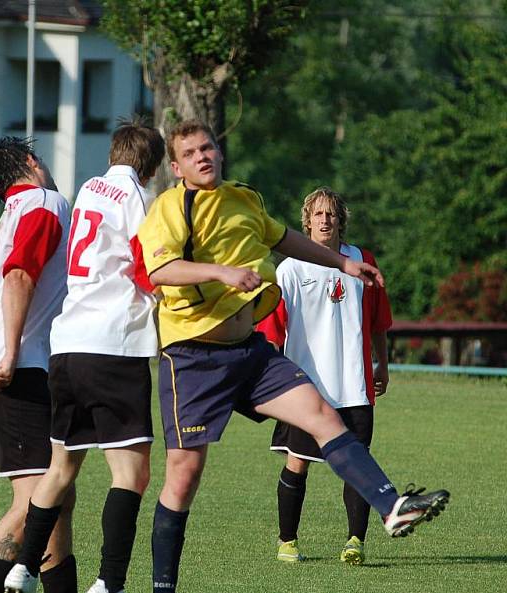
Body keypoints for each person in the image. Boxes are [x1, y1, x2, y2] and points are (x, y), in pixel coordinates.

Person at [137, 120, 449, 593]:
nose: (203, 156)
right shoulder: (171, 207)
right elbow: (161, 269)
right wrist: (221, 273)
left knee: (324, 415)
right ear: (176, 165)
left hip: (250, 354)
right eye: (190, 152)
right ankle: (163, 588)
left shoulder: (244, 197)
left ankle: (391, 508)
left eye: (208, 147)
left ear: (219, 153)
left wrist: (345, 262)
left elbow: (284, 239)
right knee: (184, 477)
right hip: (195, 358)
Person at [3, 119, 166, 593]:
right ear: (152, 167)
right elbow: (147, 262)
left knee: (61, 468)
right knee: (131, 472)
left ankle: (25, 567)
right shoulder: (140, 199)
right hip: (114, 344)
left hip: (67, 345)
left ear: (113, 153)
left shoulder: (88, 191)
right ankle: (109, 582)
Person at [0, 137, 77, 593]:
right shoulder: (44, 201)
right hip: (17, 367)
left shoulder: (16, 210)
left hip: (28, 365)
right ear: (31, 163)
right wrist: (11, 354)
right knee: (34, 503)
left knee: (58, 500)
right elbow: (20, 275)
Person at [257, 188, 392, 565]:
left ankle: (355, 542)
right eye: (317, 214)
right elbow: (271, 333)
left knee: (358, 463)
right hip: (305, 389)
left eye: (331, 213)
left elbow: (379, 322)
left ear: (341, 219)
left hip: (354, 385)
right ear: (307, 220)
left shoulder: (362, 261)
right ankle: (288, 541)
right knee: (296, 462)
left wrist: (382, 363)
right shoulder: (289, 269)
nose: (325, 220)